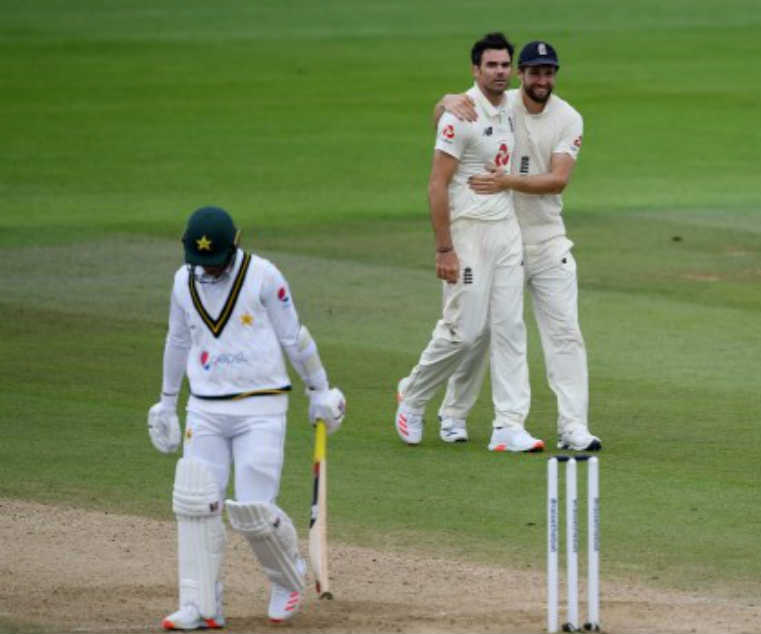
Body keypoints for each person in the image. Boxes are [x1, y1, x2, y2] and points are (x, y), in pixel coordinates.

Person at [146, 206, 346, 630]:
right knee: (197, 503)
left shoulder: (264, 276)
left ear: (233, 249)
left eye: (214, 262)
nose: (208, 270)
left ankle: (286, 576)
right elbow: (177, 340)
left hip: (262, 405)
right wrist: (166, 402)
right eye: (200, 263)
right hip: (204, 406)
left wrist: (319, 390)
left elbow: (295, 337)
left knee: (254, 510)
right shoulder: (183, 282)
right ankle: (201, 605)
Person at [433, 40, 601, 451]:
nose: (542, 80)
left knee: (565, 333)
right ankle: (453, 415)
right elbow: (446, 120)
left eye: (549, 73)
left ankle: (573, 427)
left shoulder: (568, 117)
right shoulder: (500, 102)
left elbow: (558, 180)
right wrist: (446, 100)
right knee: (479, 331)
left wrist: (507, 181)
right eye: (534, 72)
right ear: (521, 75)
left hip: (546, 240)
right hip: (497, 238)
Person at [394, 32, 543, 452]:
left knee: (510, 327)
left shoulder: (512, 104)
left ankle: (509, 425)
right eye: (490, 65)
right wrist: (444, 248)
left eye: (504, 65)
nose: (498, 72)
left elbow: (541, 93)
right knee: (465, 330)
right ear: (475, 70)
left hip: (505, 231)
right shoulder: (459, 114)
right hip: (467, 231)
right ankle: (415, 394)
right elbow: (436, 185)